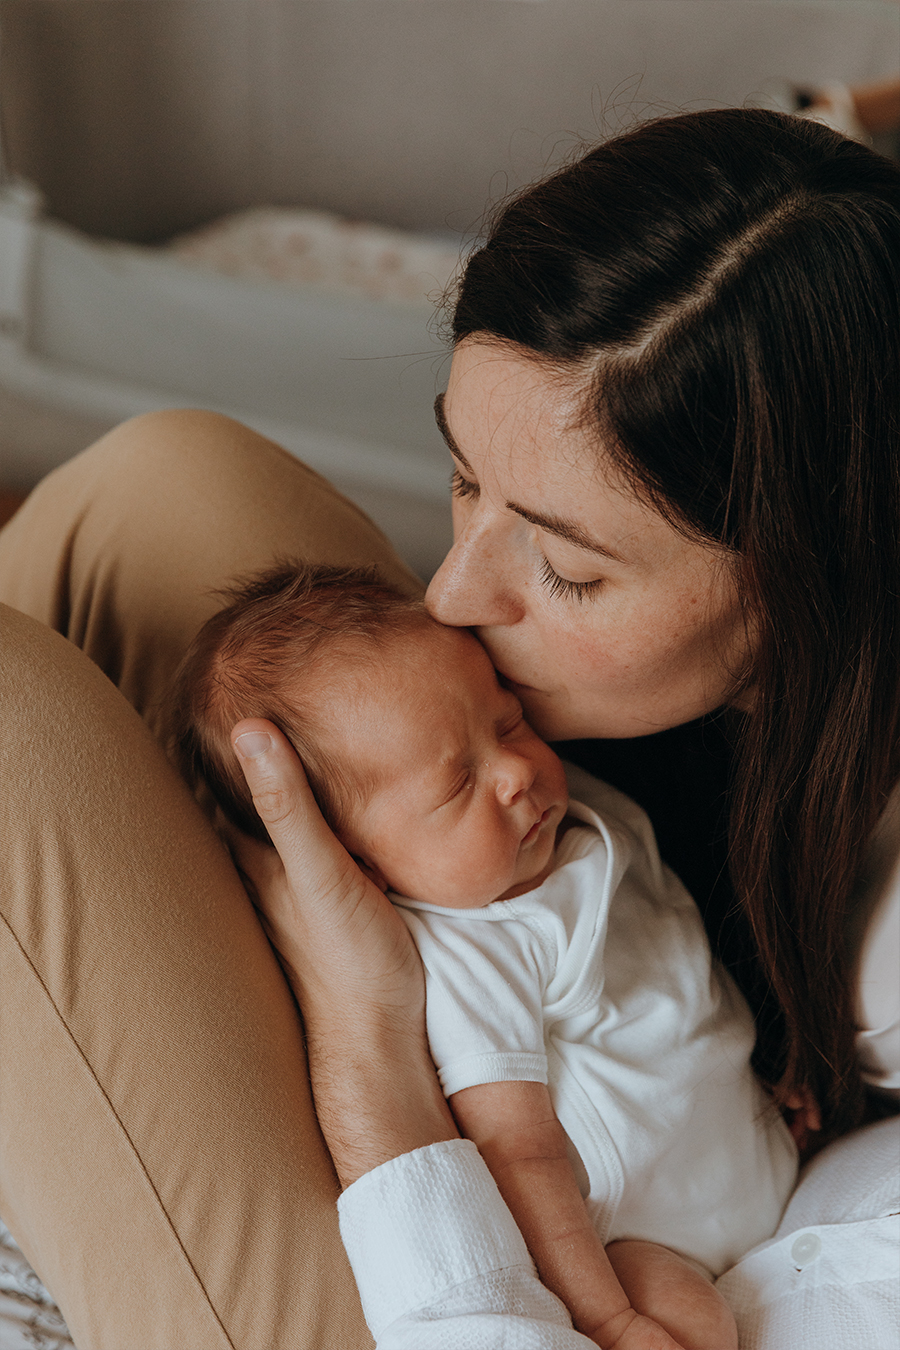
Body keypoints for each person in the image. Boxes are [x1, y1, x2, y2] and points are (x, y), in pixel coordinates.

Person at [0, 106, 896, 1349]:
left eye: (567, 571)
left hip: (489, 1285)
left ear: (817, 580)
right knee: (173, 477)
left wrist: (367, 1040)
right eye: (467, 479)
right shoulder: (640, 750)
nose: (453, 592)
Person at [170, 560, 796, 1349]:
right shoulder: (471, 949)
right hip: (651, 1238)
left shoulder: (580, 818)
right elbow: (521, 1155)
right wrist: (608, 1316)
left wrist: (763, 1077)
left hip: (753, 1154)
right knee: (696, 1328)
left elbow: (673, 978)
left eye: (507, 724)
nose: (515, 772)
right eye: (456, 785)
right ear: (360, 863)